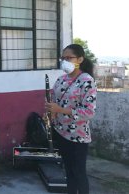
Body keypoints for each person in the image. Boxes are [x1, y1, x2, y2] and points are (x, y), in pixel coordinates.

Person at [45, 44, 97, 194]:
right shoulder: (61, 80)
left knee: (79, 173)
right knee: (68, 171)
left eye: (68, 58)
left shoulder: (87, 81)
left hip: (78, 136)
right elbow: (53, 101)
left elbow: (89, 112)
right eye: (63, 58)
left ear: (80, 59)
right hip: (61, 132)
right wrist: (50, 112)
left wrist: (60, 110)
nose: (64, 61)